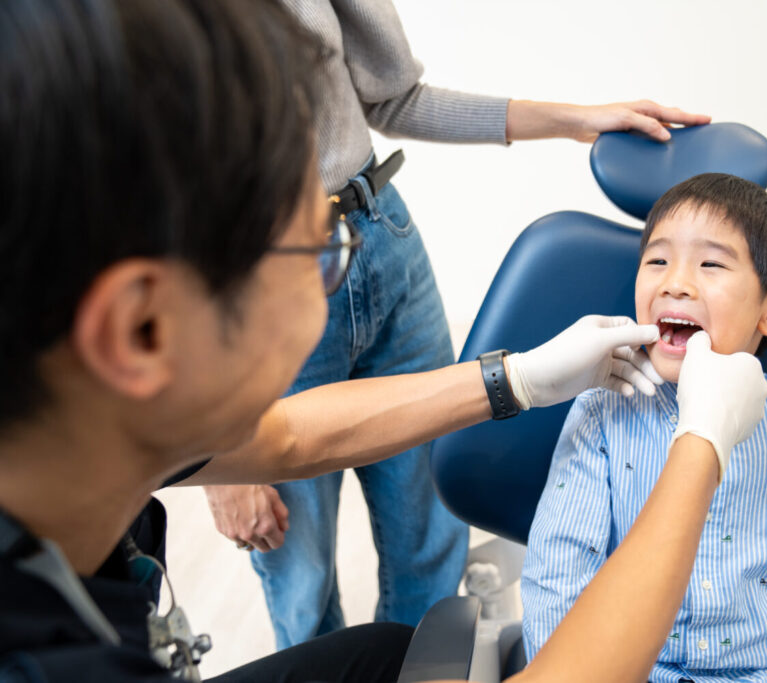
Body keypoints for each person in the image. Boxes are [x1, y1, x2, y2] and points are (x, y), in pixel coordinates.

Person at [0, 1, 767, 681]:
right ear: (143, 330)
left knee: (385, 653)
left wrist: (519, 379)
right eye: (319, 252)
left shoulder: (67, 414)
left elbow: (289, 436)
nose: (336, 278)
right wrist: (702, 445)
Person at [201, 0, 714, 649]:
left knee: (431, 535)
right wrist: (217, 458)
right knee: (299, 571)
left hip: (378, 236)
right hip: (252, 276)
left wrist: (574, 120)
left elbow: (394, 96)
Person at [521, 173, 767, 682]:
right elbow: (557, 579)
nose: (675, 283)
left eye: (710, 264)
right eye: (657, 261)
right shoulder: (602, 416)